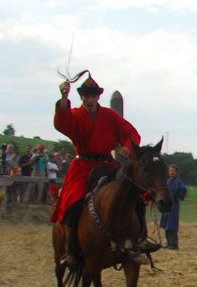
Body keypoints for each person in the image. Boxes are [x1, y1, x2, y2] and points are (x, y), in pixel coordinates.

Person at [52, 71, 160, 268]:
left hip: (108, 165)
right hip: (82, 166)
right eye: (86, 96)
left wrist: (127, 147)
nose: (90, 99)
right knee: (73, 202)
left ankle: (140, 239)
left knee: (135, 194)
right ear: (82, 97)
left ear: (98, 97)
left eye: (93, 96)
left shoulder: (110, 116)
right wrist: (64, 97)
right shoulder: (75, 115)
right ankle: (70, 249)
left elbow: (132, 133)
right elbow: (62, 122)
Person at [160, 164, 187, 249]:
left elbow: (183, 189)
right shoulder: (168, 181)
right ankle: (168, 243)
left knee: (172, 224)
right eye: (170, 171)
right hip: (166, 205)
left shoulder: (177, 182)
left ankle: (174, 244)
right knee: (166, 224)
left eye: (173, 171)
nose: (171, 172)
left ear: (176, 172)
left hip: (173, 205)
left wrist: (176, 197)